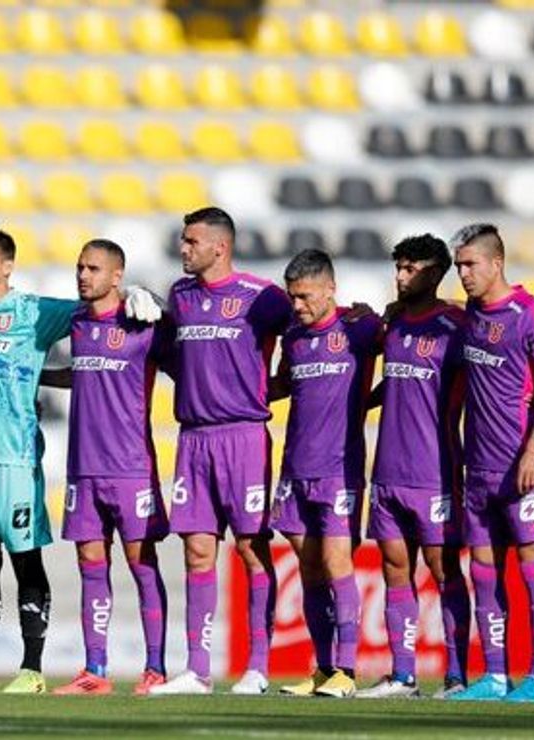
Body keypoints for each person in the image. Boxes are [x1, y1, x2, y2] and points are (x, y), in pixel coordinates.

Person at [0, 228, 159, 694]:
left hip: (15, 456)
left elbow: (98, 309)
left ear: (7, 266)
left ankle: (31, 670)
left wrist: (134, 293)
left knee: (25, 561)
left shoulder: (36, 312)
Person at [149, 207, 292, 696]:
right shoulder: (181, 295)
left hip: (244, 437)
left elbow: (308, 330)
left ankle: (257, 667)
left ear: (219, 247)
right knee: (196, 551)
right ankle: (197, 670)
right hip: (193, 439)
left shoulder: (263, 297)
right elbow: (171, 355)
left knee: (251, 549)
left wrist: (277, 384)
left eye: (191, 241)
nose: (183, 249)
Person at [42, 239, 170, 696]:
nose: (82, 276)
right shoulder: (75, 321)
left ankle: (155, 668)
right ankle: (94, 670)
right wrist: (37, 377)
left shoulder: (142, 323)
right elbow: (84, 374)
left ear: (117, 276)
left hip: (131, 466)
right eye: (79, 267)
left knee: (141, 563)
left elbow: (189, 353)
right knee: (90, 562)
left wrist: (153, 298)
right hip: (84, 468)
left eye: (93, 269)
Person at [358, 235, 470, 699]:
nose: (401, 277)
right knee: (393, 568)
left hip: (435, 470)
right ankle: (403, 675)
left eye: (410, 269)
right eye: (398, 268)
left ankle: (457, 676)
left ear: (435, 272)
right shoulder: (396, 323)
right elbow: (398, 382)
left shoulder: (457, 326)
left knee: (443, 570)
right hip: (387, 470)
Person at [448, 224, 534, 703]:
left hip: (527, 467)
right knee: (484, 568)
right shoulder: (471, 314)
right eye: (458, 266)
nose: (464, 274)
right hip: (480, 467)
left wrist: (533, 449)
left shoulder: (531, 315)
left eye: (470, 264)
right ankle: (494, 674)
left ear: (496, 262)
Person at [269, 249, 381, 699]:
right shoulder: (293, 336)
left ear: (331, 288)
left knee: (338, 563)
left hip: (339, 470)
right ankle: (323, 668)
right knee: (310, 568)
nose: (298, 305)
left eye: (306, 296)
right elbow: (280, 386)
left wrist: (368, 401)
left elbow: (413, 358)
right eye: (293, 296)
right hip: (295, 468)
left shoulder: (362, 327)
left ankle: (348, 673)